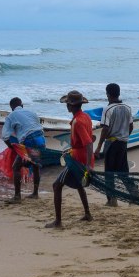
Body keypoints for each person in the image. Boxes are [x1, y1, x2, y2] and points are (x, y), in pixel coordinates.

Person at [46, 90, 94, 228]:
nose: (66, 106)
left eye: (67, 103)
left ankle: (58, 221)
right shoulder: (86, 116)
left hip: (78, 161)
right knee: (79, 185)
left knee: (56, 185)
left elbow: (89, 142)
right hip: (80, 157)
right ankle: (88, 214)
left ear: (70, 106)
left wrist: (87, 165)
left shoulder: (78, 122)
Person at [94, 83, 134, 207]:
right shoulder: (128, 107)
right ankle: (134, 193)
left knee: (109, 173)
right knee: (123, 171)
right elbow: (131, 126)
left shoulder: (108, 109)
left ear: (108, 94)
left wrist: (99, 147)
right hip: (123, 143)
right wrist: (124, 137)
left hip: (111, 143)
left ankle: (112, 200)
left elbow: (105, 129)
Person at [2, 97, 45, 202]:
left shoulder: (11, 116)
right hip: (41, 139)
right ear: (22, 105)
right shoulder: (31, 112)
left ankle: (17, 197)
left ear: (12, 108)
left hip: (29, 141)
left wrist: (11, 147)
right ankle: (35, 193)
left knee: (16, 167)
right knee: (35, 166)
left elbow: (5, 136)